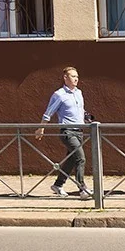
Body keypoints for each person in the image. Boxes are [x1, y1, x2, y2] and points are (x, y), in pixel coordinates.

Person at [35, 66, 91, 199]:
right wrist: (41, 128)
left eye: (77, 76)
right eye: (73, 76)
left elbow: (80, 109)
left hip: (79, 131)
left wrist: (87, 117)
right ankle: (82, 189)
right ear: (65, 78)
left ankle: (58, 185)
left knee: (71, 159)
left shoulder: (79, 93)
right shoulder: (59, 95)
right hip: (67, 132)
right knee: (80, 158)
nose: (76, 79)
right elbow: (49, 112)